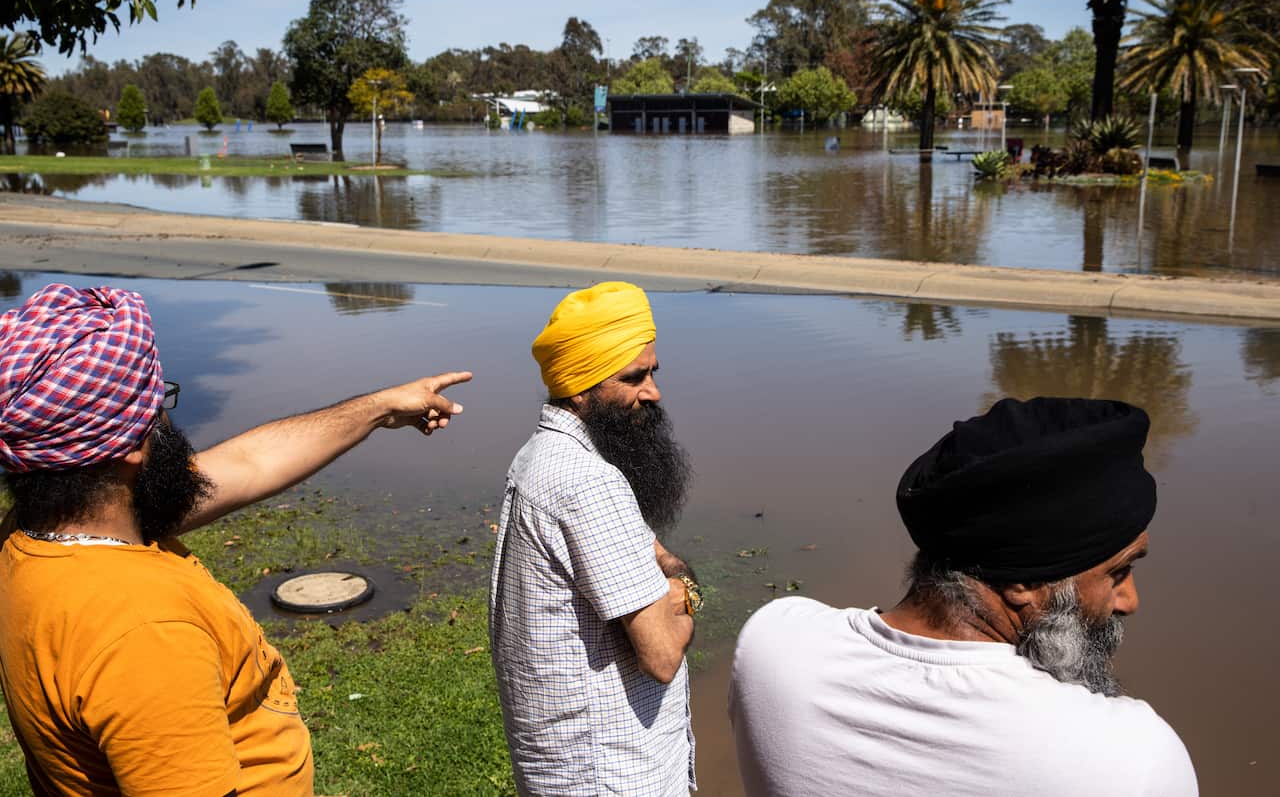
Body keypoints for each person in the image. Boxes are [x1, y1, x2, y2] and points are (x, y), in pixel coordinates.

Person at [0, 283, 470, 796]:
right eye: (158, 405)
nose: (165, 420)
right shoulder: (144, 632)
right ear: (131, 446)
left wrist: (378, 409)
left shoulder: (33, 536)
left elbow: (247, 464)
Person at [729, 397, 1197, 797]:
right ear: (1025, 582)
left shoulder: (775, 646)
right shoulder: (1129, 761)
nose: (1128, 600)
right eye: (1119, 571)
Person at [489, 281, 701, 796]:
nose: (652, 391)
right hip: (611, 773)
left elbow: (650, 549)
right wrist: (687, 590)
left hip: (568, 765)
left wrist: (666, 578)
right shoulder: (589, 482)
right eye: (633, 378)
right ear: (581, 388)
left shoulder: (539, 456)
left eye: (653, 372)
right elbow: (662, 654)